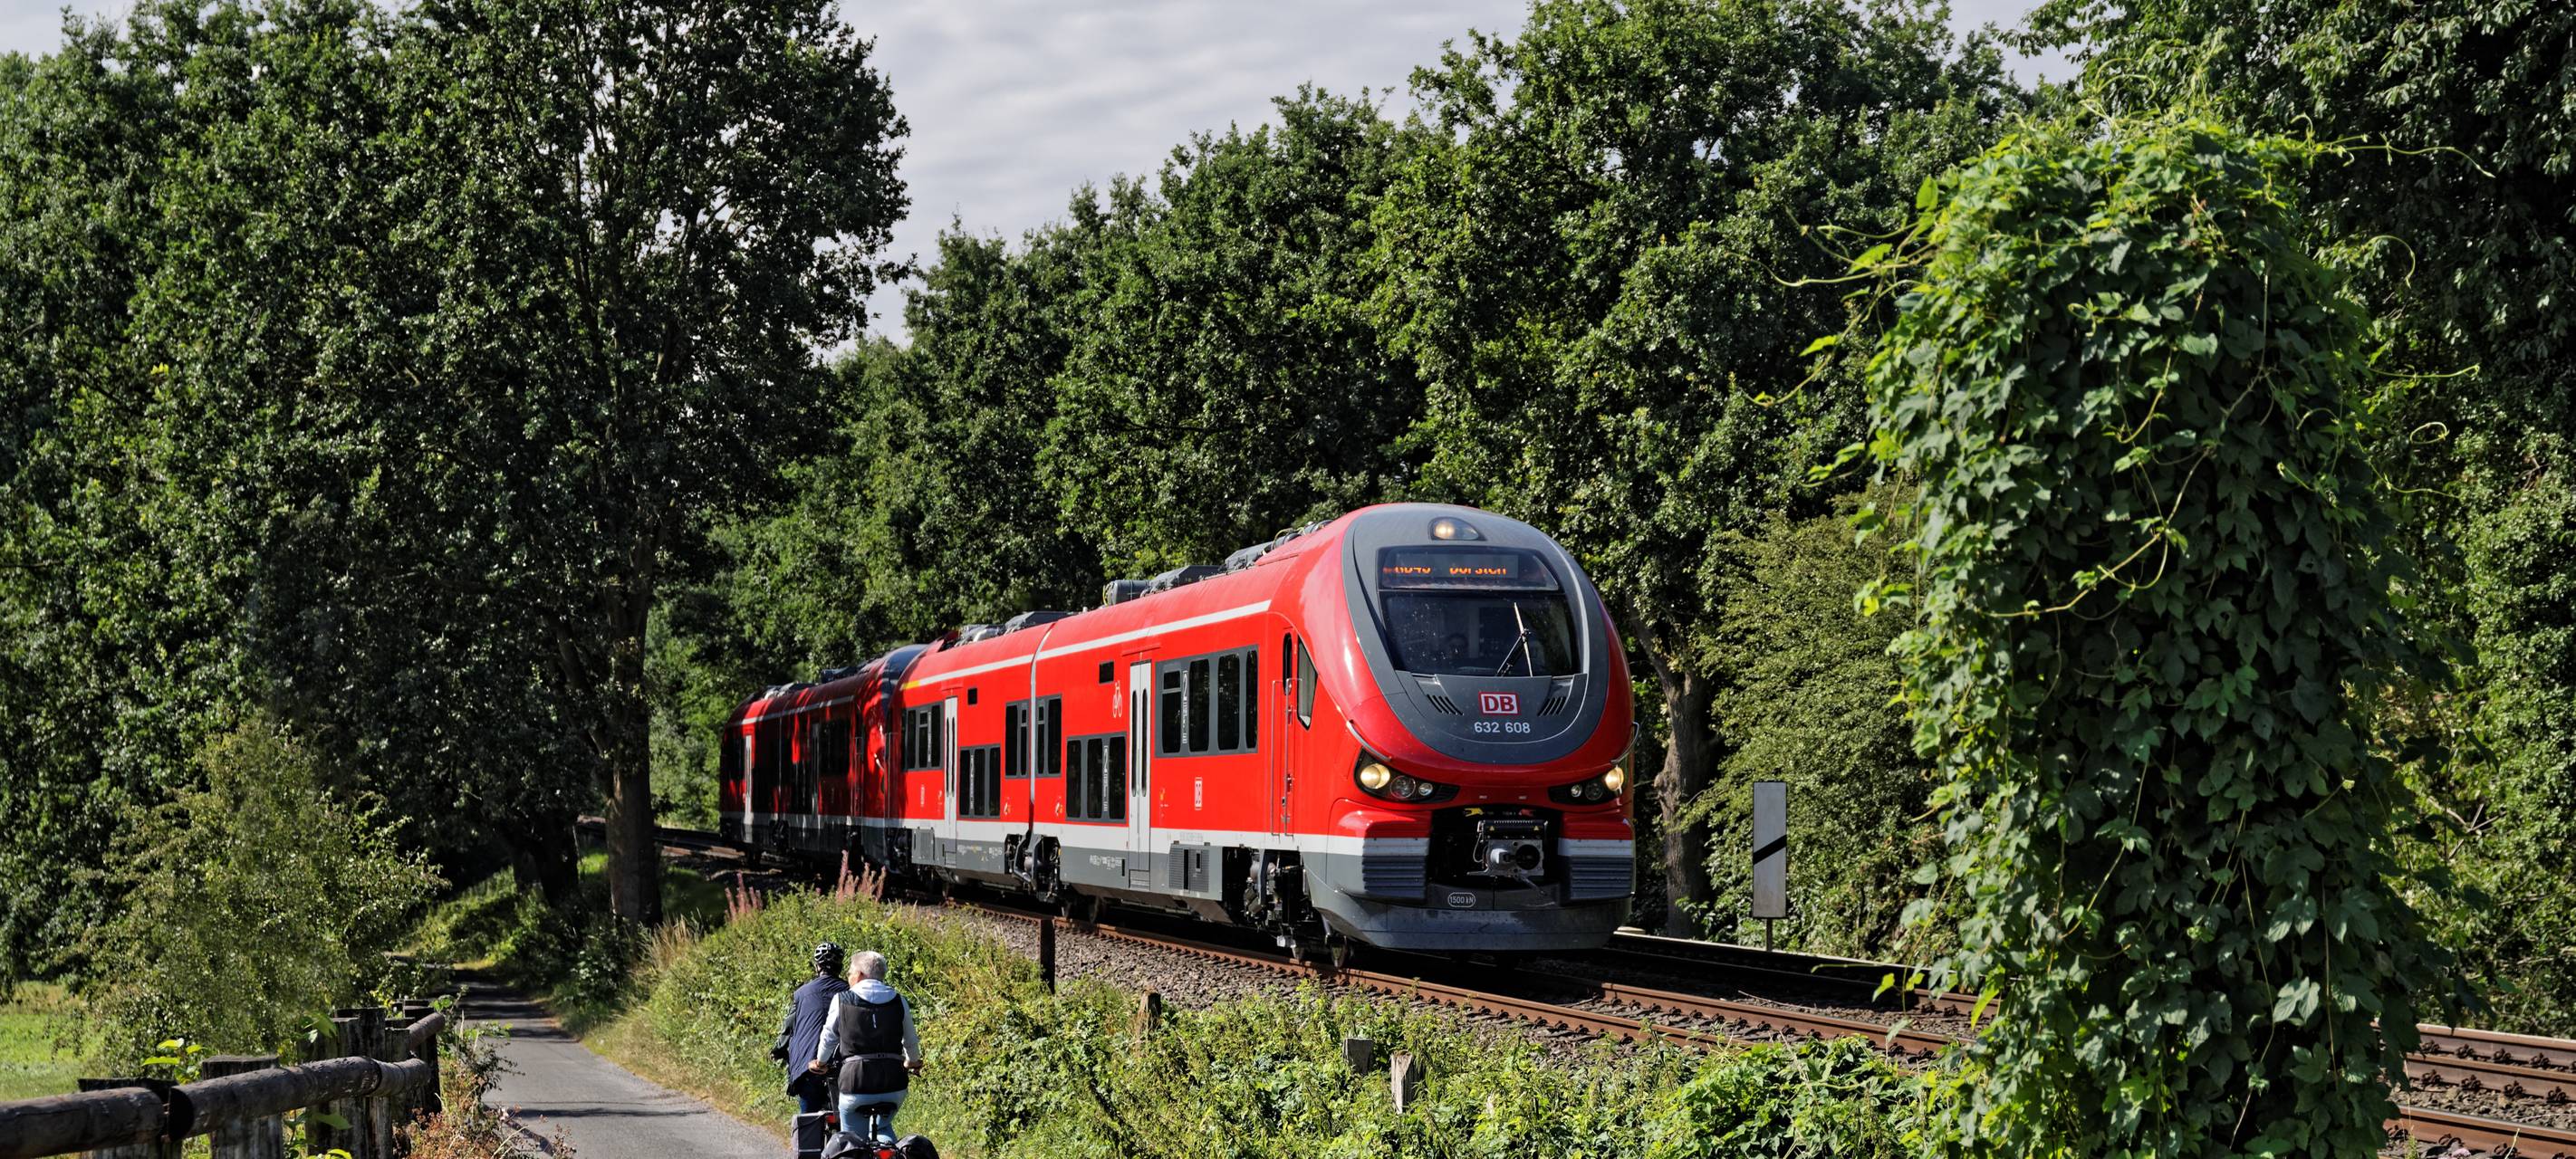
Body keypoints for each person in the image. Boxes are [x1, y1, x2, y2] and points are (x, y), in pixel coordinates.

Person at [810, 950, 922, 1145]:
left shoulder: (842, 999)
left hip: (855, 1083)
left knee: (853, 1140)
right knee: (884, 1126)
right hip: (894, 1084)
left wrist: (821, 1062)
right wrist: (913, 1061)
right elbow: (910, 1040)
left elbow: (829, 1036)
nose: (849, 977)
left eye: (850, 973)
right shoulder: (898, 1000)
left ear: (860, 975)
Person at [774, 942, 850, 1116]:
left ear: (817, 967)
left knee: (808, 1120)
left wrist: (778, 1049)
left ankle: (805, 1140)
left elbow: (788, 1026)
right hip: (844, 1064)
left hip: (808, 1065)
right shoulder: (851, 992)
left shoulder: (801, 993)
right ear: (840, 967)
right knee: (848, 1118)